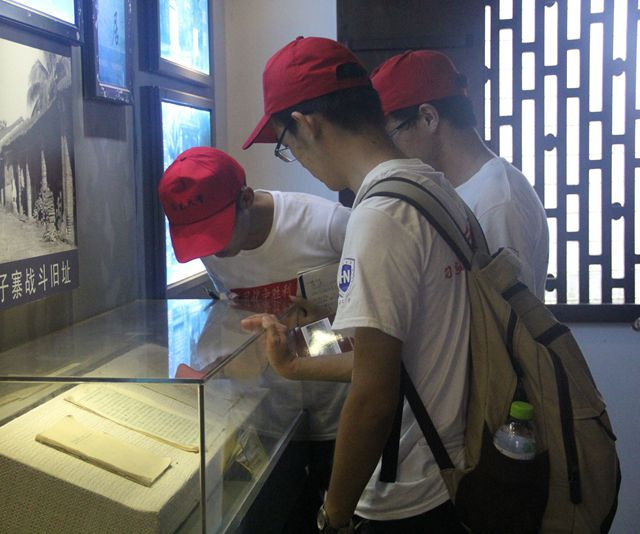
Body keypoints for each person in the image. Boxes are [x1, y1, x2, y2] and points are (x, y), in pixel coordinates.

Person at [240, 36, 471, 533]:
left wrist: (336, 513)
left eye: (285, 145)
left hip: (410, 491)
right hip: (455, 469)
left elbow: (374, 393)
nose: (296, 157)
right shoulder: (434, 188)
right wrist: (297, 362)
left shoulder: (378, 216)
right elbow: (399, 351)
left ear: (306, 125)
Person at [158, 146, 352, 533]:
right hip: (270, 420)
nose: (212, 250)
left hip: (339, 410)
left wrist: (324, 319)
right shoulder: (213, 251)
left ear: (246, 198)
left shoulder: (327, 224)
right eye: (197, 238)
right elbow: (231, 309)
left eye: (216, 232)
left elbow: (384, 317)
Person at [370, 50, 549, 298]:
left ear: (428, 118)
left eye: (391, 136)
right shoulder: (457, 189)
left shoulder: (496, 200)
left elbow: (504, 314)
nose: (388, 152)